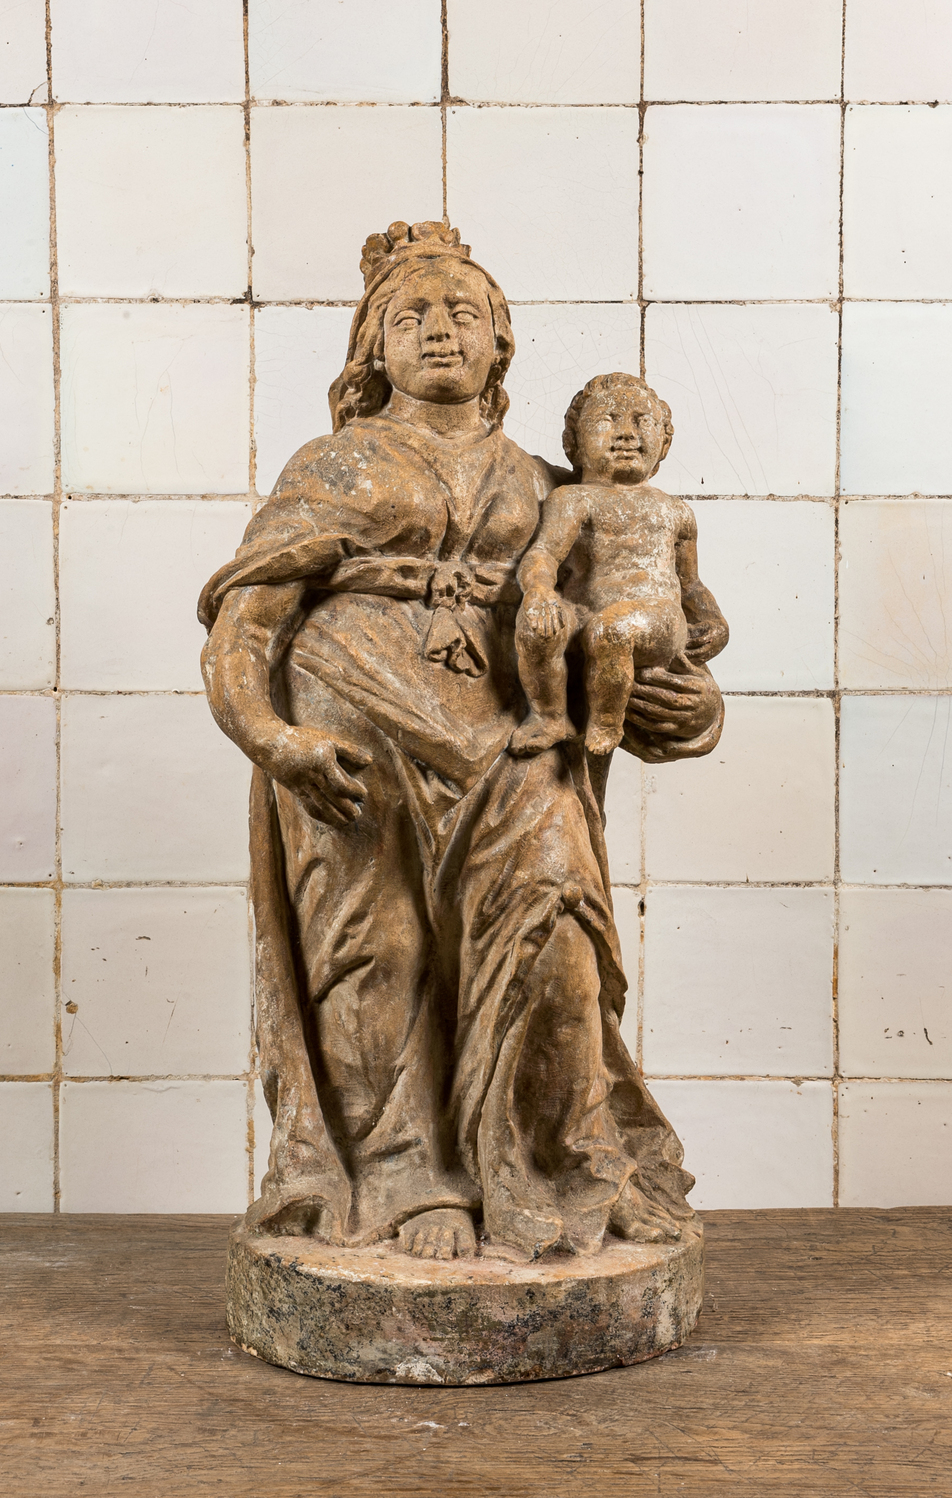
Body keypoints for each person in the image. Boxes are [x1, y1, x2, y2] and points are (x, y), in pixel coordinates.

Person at [198, 221, 726, 1263]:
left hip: (512, 744)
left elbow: (638, 614)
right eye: (410, 316)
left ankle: (567, 1155)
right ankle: (401, 1177)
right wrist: (274, 738)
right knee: (375, 949)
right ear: (372, 349)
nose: (439, 329)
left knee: (558, 934)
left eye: (463, 314)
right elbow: (242, 630)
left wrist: (687, 707)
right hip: (354, 730)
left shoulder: (552, 488)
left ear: (501, 347)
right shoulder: (334, 464)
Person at [510, 372, 729, 758]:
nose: (626, 434)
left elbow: (690, 584)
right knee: (539, 626)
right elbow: (544, 553)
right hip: (586, 614)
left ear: (664, 443)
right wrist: (539, 591)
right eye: (607, 420)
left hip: (653, 619)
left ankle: (607, 722)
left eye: (643, 421)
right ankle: (549, 715)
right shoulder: (572, 500)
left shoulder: (674, 510)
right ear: (574, 443)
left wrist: (715, 623)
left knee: (612, 631)